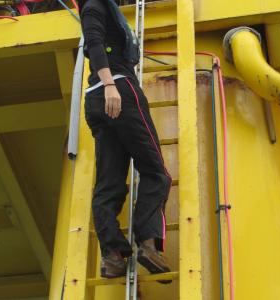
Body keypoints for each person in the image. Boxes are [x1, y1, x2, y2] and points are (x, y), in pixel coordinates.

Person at [78, 0, 172, 281]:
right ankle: (148, 244)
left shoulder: (92, 7)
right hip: (118, 89)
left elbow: (95, 41)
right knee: (157, 173)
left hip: (96, 99)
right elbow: (94, 43)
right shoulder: (96, 5)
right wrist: (110, 85)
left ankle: (113, 256)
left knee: (109, 183)